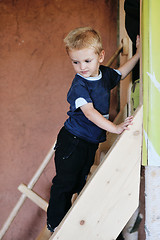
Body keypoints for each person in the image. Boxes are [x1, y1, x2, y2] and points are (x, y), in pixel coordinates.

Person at [47, 27, 140, 233]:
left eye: (87, 61)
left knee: (80, 183)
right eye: (75, 62)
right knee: (65, 183)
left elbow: (122, 72)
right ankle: (55, 225)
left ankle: (70, 222)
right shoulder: (79, 86)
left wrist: (139, 54)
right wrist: (115, 128)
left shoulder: (104, 74)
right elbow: (89, 113)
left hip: (89, 142)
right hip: (73, 140)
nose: (82, 67)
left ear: (100, 57)